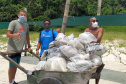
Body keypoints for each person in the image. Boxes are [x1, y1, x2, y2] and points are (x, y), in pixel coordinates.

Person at [6, 10, 32, 84]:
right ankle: (10, 82)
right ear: (18, 15)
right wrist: (15, 35)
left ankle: (13, 81)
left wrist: (29, 46)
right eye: (21, 15)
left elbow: (27, 37)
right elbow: (8, 35)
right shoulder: (13, 23)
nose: (23, 16)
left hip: (19, 49)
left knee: (16, 66)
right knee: (12, 66)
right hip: (12, 49)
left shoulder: (26, 25)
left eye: (25, 15)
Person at [84, 17, 104, 84]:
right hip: (88, 50)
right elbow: (82, 38)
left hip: (96, 50)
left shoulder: (100, 29)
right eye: (93, 21)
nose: (95, 22)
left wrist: (91, 41)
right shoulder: (87, 30)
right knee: (87, 68)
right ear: (89, 23)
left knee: (98, 69)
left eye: (96, 20)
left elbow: (98, 39)